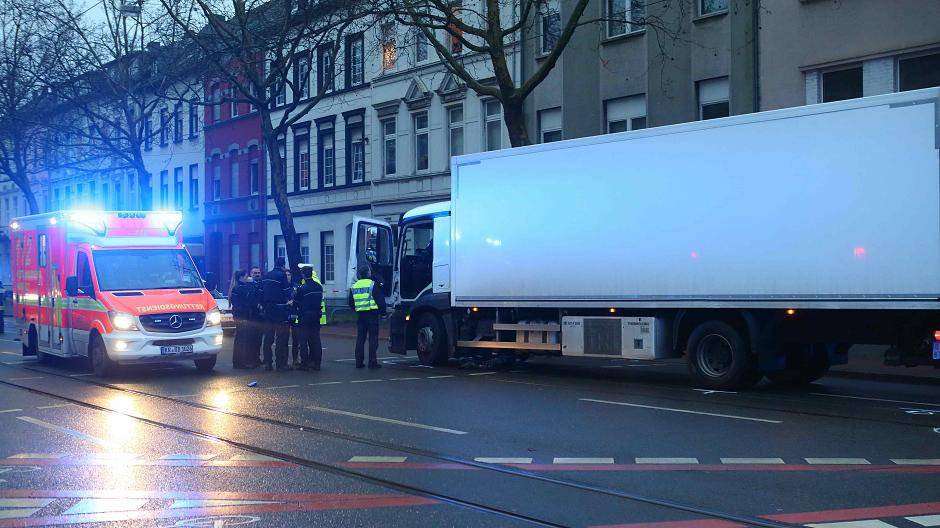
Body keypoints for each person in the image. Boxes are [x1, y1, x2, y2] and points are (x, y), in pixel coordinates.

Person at [348, 263, 386, 369]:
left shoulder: (354, 286)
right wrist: (383, 313)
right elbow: (380, 300)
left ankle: (359, 362)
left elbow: (351, 303)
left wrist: (358, 308)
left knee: (360, 339)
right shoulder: (372, 285)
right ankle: (372, 362)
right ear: (368, 273)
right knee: (373, 339)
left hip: (361, 315)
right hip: (372, 314)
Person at [260, 258, 292, 371]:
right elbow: (287, 291)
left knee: (268, 337)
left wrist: (263, 304)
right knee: (280, 337)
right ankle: (280, 364)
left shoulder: (266, 275)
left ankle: (268, 363)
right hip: (280, 309)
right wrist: (290, 299)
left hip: (268, 309)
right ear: (283, 265)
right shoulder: (282, 275)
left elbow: (261, 292)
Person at [293, 266, 324, 370]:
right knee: (316, 339)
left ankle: (304, 364)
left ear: (303, 275)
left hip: (305, 316)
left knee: (303, 341)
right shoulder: (319, 287)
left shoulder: (302, 288)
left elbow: (296, 302)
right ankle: (317, 363)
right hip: (316, 315)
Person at [228, 269, 254, 369]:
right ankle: (242, 362)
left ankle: (237, 361)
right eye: (246, 276)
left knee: (239, 339)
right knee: (243, 340)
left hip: (239, 316)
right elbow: (245, 303)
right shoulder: (241, 288)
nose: (248, 278)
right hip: (243, 317)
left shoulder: (235, 288)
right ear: (241, 277)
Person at [245, 266, 264, 368]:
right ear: (251, 274)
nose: (257, 274)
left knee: (259, 339)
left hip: (261, 317)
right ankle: (251, 360)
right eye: (255, 273)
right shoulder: (248, 286)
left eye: (258, 273)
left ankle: (257, 358)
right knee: (251, 339)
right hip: (251, 316)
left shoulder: (263, 284)